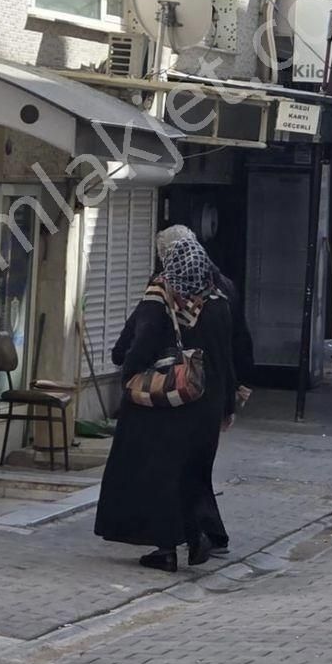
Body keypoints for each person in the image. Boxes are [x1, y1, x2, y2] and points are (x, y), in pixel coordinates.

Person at [95, 239, 238, 572]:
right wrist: (228, 405)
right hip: (205, 405)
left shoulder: (161, 299)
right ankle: (194, 535)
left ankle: (167, 548)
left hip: (163, 404)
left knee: (157, 475)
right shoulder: (217, 303)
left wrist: (129, 379)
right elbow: (226, 359)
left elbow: (140, 344)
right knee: (189, 475)